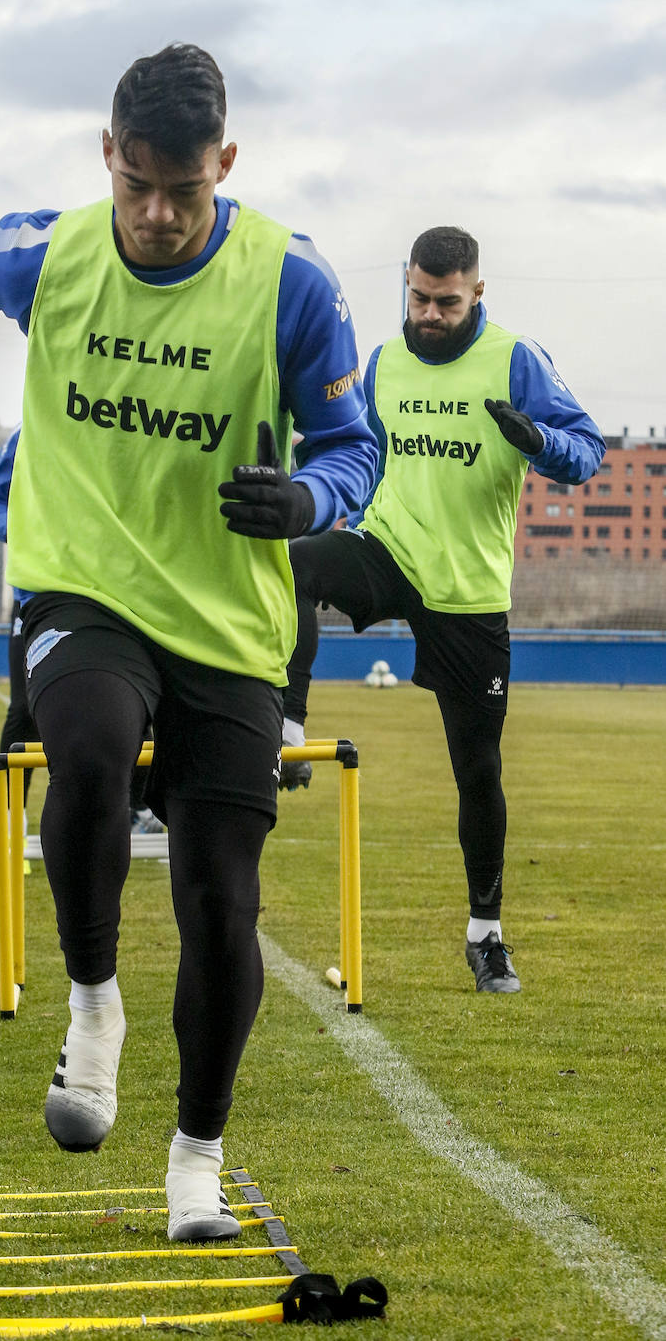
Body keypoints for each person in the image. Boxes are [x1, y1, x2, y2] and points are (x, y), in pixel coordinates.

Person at [0, 43, 377, 1240]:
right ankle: (91, 1003)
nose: (155, 216)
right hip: (79, 590)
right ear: (107, 155)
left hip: (227, 626)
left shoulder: (291, 283)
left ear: (228, 165)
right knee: (90, 754)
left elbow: (356, 451)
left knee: (221, 904)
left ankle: (195, 1161)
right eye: (136, 184)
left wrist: (308, 502)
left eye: (184, 191)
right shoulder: (40, 251)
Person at [282, 225, 605, 994]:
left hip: (469, 590)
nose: (430, 313)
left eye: (447, 301)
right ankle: (286, 721)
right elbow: (355, 450)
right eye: (420, 297)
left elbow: (585, 449)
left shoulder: (515, 360)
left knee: (479, 772)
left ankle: (486, 932)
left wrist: (538, 443)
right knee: (285, 562)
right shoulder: (384, 364)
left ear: (477, 294)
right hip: (387, 548)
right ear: (407, 282)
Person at [0, 429, 164, 833]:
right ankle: (11, 817)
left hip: (123, 592)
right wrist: (27, 531)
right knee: (24, 710)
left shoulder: (135, 424)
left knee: (139, 703)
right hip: (43, 593)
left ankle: (135, 809)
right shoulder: (29, 432)